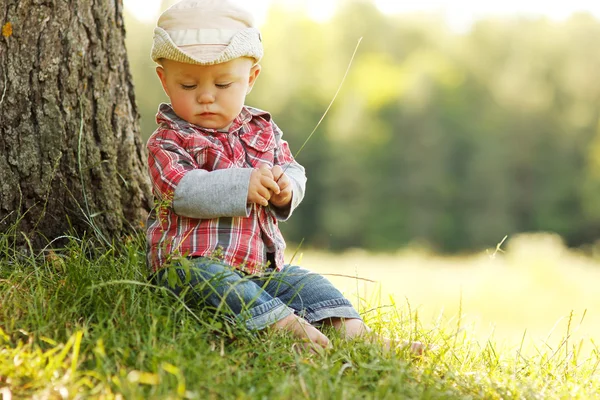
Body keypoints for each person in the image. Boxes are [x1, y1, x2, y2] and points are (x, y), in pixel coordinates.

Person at [146, 0, 423, 354]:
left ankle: (358, 335)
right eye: (187, 85)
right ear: (164, 80)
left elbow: (293, 169)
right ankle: (283, 327)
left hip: (261, 270)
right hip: (190, 264)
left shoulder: (262, 129)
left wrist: (285, 188)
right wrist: (242, 184)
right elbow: (181, 191)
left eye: (223, 83)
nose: (206, 96)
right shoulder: (168, 140)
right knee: (211, 283)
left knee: (310, 285)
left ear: (251, 78)